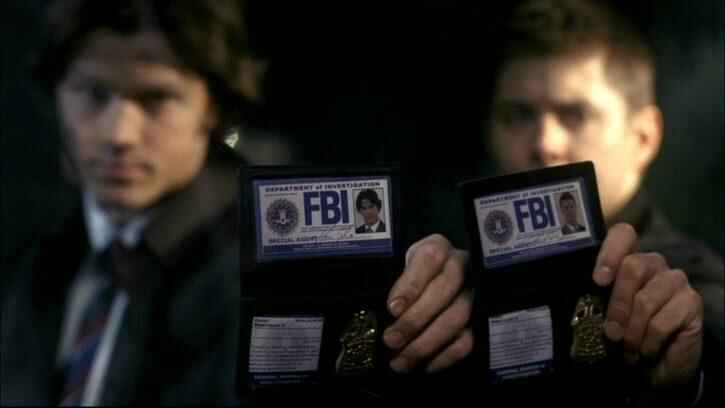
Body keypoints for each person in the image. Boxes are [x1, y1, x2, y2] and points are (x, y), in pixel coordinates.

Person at [0, 0, 464, 405]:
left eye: (157, 97)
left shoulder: (276, 265)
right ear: (56, 93)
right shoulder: (35, 251)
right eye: (94, 93)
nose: (119, 133)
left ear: (212, 107)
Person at [386, 0, 722, 404]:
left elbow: (711, 337)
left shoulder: (696, 279)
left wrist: (686, 381)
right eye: (517, 115)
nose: (545, 143)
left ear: (644, 136)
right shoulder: (453, 283)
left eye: (575, 114)